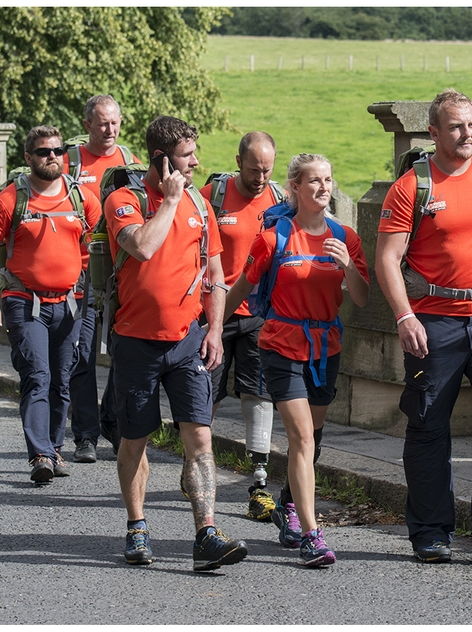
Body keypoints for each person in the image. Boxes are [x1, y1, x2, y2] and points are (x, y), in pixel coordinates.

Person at [374, 89, 472, 564]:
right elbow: (387, 258)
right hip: (433, 321)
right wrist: (404, 316)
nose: (467, 134)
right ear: (434, 132)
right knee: (427, 425)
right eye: (457, 127)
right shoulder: (412, 187)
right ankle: (430, 531)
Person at [103, 115, 247, 571]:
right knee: (135, 439)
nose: (197, 162)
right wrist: (169, 200)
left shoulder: (202, 207)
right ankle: (137, 526)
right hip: (135, 342)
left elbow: (217, 276)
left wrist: (216, 331)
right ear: (163, 160)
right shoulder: (124, 200)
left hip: (188, 340)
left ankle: (206, 533)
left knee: (200, 436)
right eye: (188, 156)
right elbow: (142, 248)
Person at [222, 153, 369, 566]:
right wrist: (213, 326)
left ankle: (288, 504)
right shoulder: (274, 238)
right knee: (302, 438)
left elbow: (360, 298)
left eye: (328, 179)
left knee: (313, 438)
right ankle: (312, 535)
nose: (324, 188)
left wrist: (347, 266)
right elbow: (240, 290)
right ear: (295, 189)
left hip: (326, 348)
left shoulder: (346, 237)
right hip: (281, 343)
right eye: (314, 181)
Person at [0, 125, 102, 484]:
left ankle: (53, 447)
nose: (52, 157)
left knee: (62, 379)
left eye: (58, 151)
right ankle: (41, 455)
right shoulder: (10, 200)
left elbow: (100, 248)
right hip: (22, 301)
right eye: (44, 151)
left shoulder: (82, 199)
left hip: (71, 303)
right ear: (28, 157)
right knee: (37, 376)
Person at [195, 132, 281, 522]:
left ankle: (259, 485)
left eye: (266, 169)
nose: (260, 177)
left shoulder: (280, 200)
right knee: (206, 396)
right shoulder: (213, 194)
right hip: (215, 313)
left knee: (258, 396)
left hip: (260, 314)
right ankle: (195, 465)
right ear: (238, 161)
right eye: (252, 169)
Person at [62, 94, 141, 462]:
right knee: (82, 353)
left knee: (124, 353)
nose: (110, 130)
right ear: (86, 126)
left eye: (115, 123)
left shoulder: (130, 163)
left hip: (117, 275)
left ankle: (110, 419)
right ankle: (85, 435)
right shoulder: (69, 162)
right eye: (102, 124)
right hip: (78, 272)